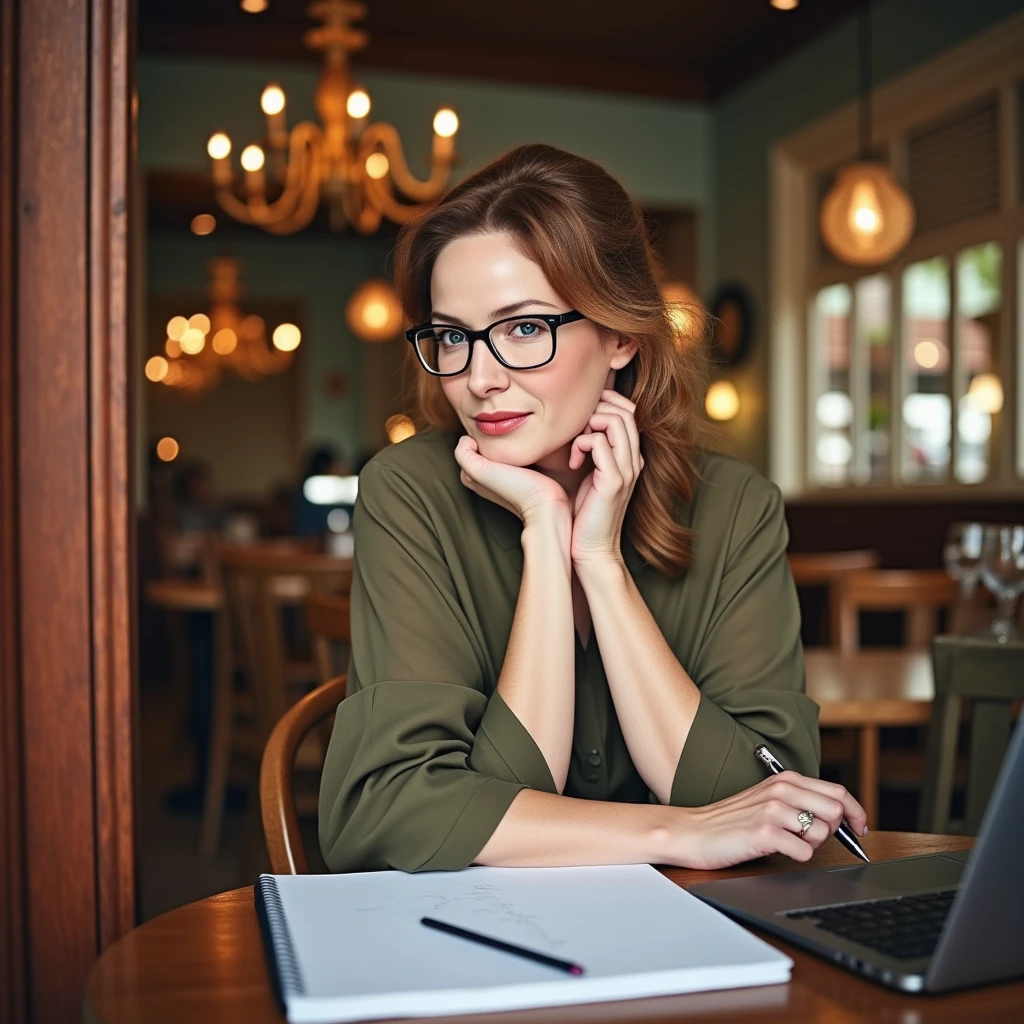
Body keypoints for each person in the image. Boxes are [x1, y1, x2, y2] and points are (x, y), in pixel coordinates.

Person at [319, 144, 866, 874]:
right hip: (482, 947)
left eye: (522, 329)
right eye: (452, 336)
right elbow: (389, 811)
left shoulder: (736, 508)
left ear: (619, 335)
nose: (479, 378)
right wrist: (546, 534)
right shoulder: (406, 492)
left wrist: (599, 564)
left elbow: (768, 804)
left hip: (711, 943)